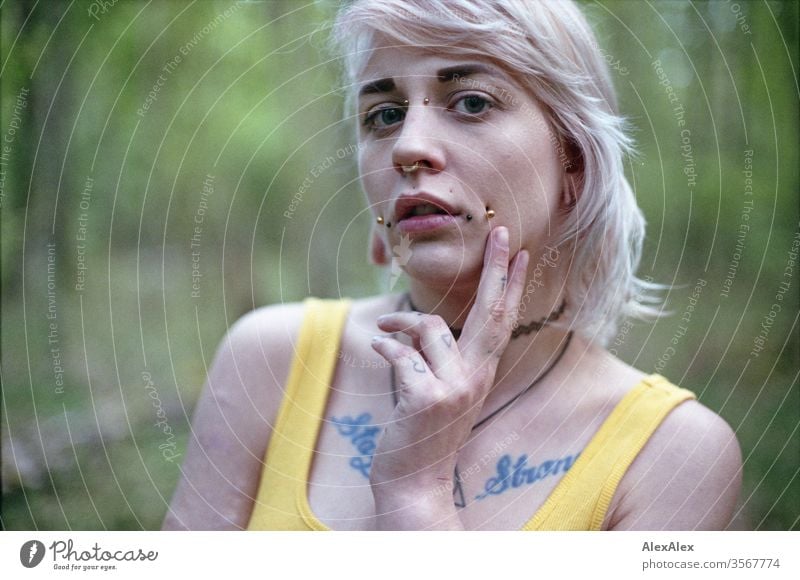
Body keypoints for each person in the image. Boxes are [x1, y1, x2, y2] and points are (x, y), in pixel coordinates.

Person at [163, 0, 741, 531]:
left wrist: (416, 493)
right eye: (384, 114)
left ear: (575, 161)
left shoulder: (674, 454)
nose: (407, 146)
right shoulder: (270, 360)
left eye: (471, 102)